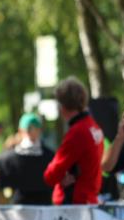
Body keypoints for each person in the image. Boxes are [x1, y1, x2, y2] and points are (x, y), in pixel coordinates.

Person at [43, 77, 104, 205]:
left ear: (62, 106)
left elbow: (51, 175)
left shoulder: (77, 132)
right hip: (89, 199)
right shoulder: (94, 126)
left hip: (75, 203)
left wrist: (60, 177)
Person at [0, 113, 54, 205]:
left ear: (20, 130)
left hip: (20, 210)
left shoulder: (8, 158)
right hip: (44, 208)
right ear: (40, 130)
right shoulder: (50, 156)